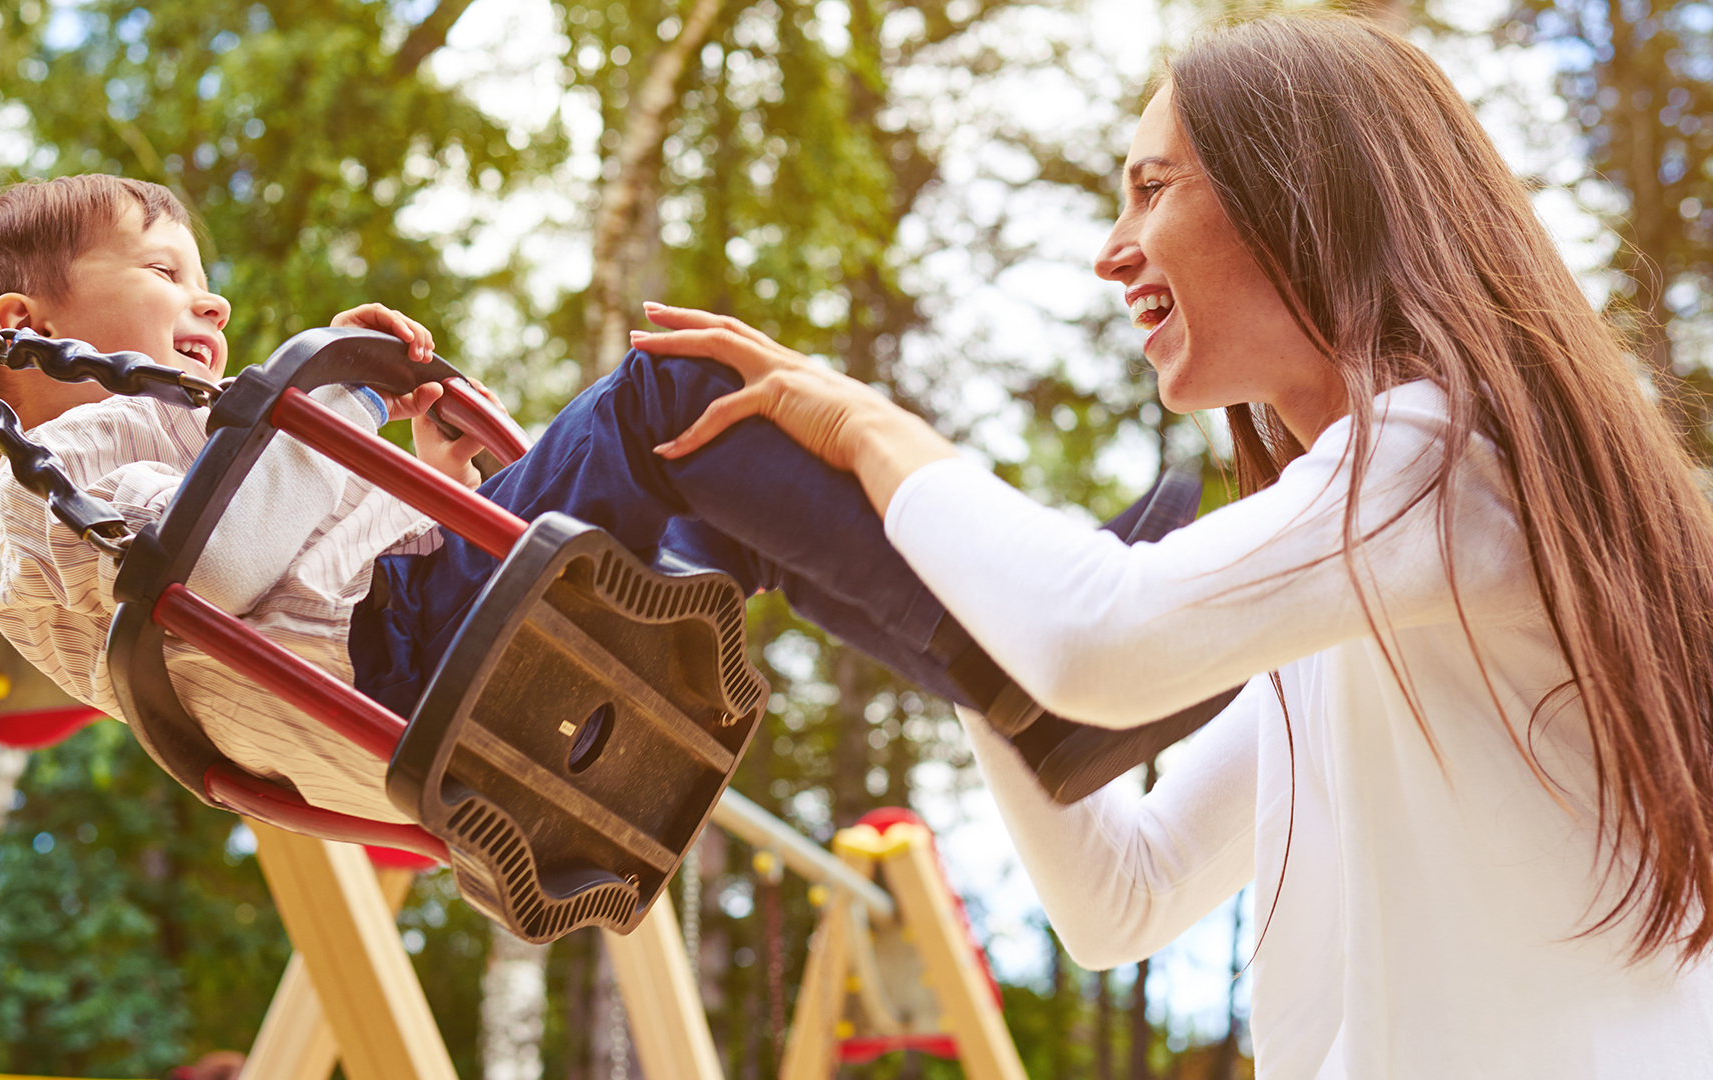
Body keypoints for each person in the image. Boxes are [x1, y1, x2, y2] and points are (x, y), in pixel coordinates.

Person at [630, 12, 1713, 1077]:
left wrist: (868, 426)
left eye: (1153, 189)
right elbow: (1126, 897)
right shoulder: (1369, 589)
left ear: (1305, 192)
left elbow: (1099, 640)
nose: (1111, 254)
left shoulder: (1448, 459)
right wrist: (947, 606)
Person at [0, 174, 1162, 825]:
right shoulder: (66, 464)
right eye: (164, 271)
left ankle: (1027, 677)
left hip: (408, 650)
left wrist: (443, 475)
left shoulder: (184, 439)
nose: (214, 303)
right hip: (407, 662)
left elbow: (301, 571)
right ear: (27, 327)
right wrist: (328, 399)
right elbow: (217, 575)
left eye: (206, 279)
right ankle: (1041, 624)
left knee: (733, 479)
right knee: (675, 394)